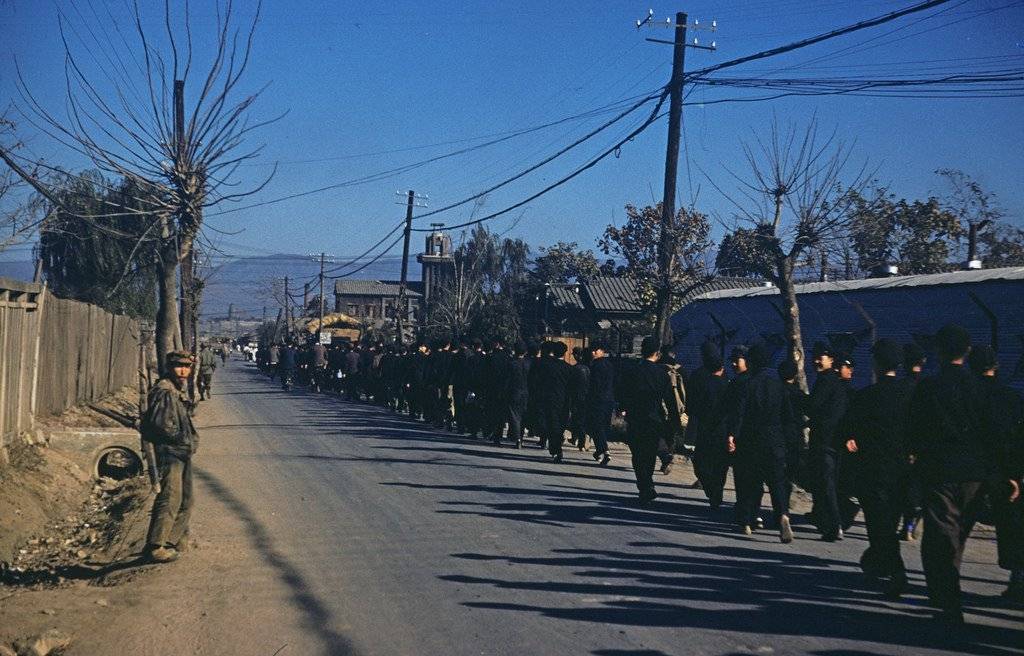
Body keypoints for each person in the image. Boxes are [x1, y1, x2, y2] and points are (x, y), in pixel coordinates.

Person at [908, 324, 998, 624]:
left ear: (939, 350)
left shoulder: (929, 387)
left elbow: (915, 427)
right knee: (959, 533)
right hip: (974, 472)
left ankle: (946, 595)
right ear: (967, 351)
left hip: (939, 469)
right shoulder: (981, 389)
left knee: (942, 532)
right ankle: (949, 587)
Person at [842, 339, 911, 598]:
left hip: (873, 470)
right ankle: (877, 564)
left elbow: (847, 430)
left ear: (876, 364)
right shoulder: (910, 395)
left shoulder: (867, 396)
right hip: (902, 470)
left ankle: (895, 569)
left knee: (878, 523)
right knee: (889, 521)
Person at [969, 345, 1024, 603]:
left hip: (966, 469)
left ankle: (944, 581)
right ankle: (1017, 578)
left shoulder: (965, 394)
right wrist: (1014, 474)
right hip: (1001, 471)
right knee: (1011, 526)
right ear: (996, 366)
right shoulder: (1009, 397)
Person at [729, 342, 795, 542]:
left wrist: (733, 435)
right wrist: (789, 442)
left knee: (750, 481)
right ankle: (782, 514)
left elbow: (739, 413)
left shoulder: (747, 384)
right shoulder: (779, 385)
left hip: (751, 439)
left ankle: (747, 521)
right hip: (775, 439)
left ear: (751, 362)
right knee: (777, 482)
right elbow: (788, 417)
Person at [142, 350, 199, 563]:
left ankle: (172, 541)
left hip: (181, 452)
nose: (183, 371)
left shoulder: (176, 389)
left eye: (187, 367)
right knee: (170, 498)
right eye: (178, 366)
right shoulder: (165, 391)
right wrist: (181, 440)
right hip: (170, 452)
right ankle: (156, 546)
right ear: (169, 368)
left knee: (186, 499)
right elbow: (163, 426)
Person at [619, 336, 682, 506]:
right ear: (657, 353)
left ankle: (645, 485)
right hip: (655, 418)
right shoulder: (662, 374)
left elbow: (623, 392)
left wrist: (622, 408)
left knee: (638, 454)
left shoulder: (633, 371)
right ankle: (648, 483)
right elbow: (669, 399)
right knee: (649, 452)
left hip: (635, 417)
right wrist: (675, 421)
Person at [807, 341, 848, 541]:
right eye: (815, 357)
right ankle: (828, 520)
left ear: (830, 360)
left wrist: (797, 398)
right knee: (828, 482)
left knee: (825, 483)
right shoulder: (836, 382)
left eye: (820, 357)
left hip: (824, 440)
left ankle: (835, 523)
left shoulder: (825, 381)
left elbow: (813, 406)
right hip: (834, 440)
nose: (816, 361)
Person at [689, 343, 729, 507]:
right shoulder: (728, 383)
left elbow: (691, 405)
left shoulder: (698, 377)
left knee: (701, 461)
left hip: (704, 427)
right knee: (720, 463)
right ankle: (717, 490)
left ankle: (710, 487)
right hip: (723, 429)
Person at [529, 341, 572, 462]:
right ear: (565, 353)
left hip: (548, 399)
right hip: (564, 400)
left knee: (552, 424)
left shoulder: (545, 366)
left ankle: (556, 448)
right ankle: (557, 445)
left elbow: (537, 382)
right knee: (560, 425)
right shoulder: (569, 368)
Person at [585, 342, 615, 466]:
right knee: (603, 426)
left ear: (601, 351)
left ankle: (604, 450)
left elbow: (593, 385)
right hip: (609, 400)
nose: (593, 353)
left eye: (595, 350)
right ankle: (599, 451)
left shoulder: (595, 366)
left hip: (597, 400)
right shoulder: (610, 365)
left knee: (596, 426)